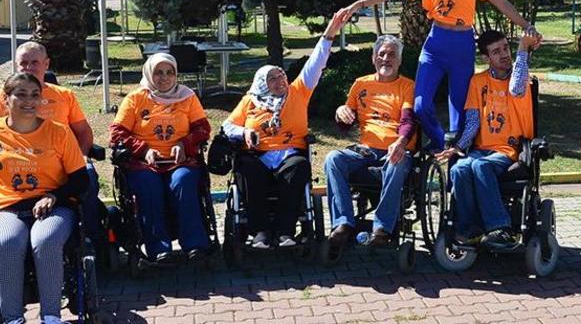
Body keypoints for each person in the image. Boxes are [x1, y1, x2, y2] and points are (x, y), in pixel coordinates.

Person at [338, 0, 539, 151]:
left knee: (459, 111)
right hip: (435, 44)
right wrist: (358, 4)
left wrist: (527, 25)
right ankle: (439, 141)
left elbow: (501, 2)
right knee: (420, 105)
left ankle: (454, 158)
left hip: (462, 44)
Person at [222, 13, 346, 249]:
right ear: (262, 84)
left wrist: (330, 33)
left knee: (299, 167)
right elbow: (227, 126)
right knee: (246, 168)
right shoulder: (250, 101)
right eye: (272, 79)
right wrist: (244, 133)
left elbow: (316, 63)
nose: (280, 80)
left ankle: (284, 231)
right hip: (258, 155)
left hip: (290, 153)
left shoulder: (298, 91)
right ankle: (259, 231)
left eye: (281, 75)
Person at [0, 73, 89, 324]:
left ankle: (51, 316)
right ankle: (12, 318)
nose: (29, 101)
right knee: (6, 242)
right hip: (9, 207)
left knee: (45, 240)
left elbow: (81, 180)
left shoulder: (59, 132)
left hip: (54, 206)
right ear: (6, 99)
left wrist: (54, 196)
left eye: (35, 95)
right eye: (21, 94)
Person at [436, 30, 537, 248]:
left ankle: (500, 228)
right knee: (458, 169)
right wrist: (458, 147)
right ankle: (470, 229)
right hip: (482, 149)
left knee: (481, 166)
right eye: (496, 51)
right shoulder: (478, 82)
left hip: (509, 150)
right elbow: (473, 122)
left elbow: (516, 89)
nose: (504, 54)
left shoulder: (521, 77)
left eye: (506, 48)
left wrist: (523, 47)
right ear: (486, 58)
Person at [109, 53, 211, 263]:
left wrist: (184, 144)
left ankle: (195, 245)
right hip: (143, 163)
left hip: (180, 161)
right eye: (158, 72)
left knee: (183, 182)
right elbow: (117, 133)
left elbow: (203, 128)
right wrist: (143, 150)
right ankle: (158, 248)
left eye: (169, 72)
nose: (164, 77)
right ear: (149, 73)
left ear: (176, 74)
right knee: (149, 186)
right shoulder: (135, 98)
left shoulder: (187, 96)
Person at [0, 42, 101, 248]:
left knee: (87, 178)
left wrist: (82, 155)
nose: (29, 67)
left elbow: (83, 131)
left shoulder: (64, 96)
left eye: (34, 62)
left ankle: (91, 238)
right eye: (23, 63)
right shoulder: (7, 97)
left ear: (46, 64)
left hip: (63, 159)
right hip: (16, 163)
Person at [324, 35, 415, 247]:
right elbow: (345, 125)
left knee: (397, 161)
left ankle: (382, 228)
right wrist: (340, 112)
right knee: (333, 159)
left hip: (395, 148)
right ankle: (343, 223)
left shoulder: (407, 86)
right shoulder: (360, 84)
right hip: (366, 150)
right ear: (373, 58)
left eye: (392, 55)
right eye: (381, 54)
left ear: (399, 60)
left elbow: (408, 121)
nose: (386, 59)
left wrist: (401, 142)